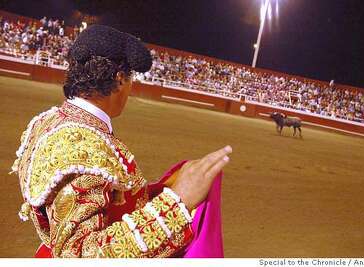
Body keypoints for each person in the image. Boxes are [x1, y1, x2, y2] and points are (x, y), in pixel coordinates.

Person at [11, 25, 232, 258]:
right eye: (130, 80)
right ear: (118, 80)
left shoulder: (47, 121)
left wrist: (168, 186)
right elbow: (79, 255)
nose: (130, 88)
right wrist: (175, 204)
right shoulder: (84, 148)